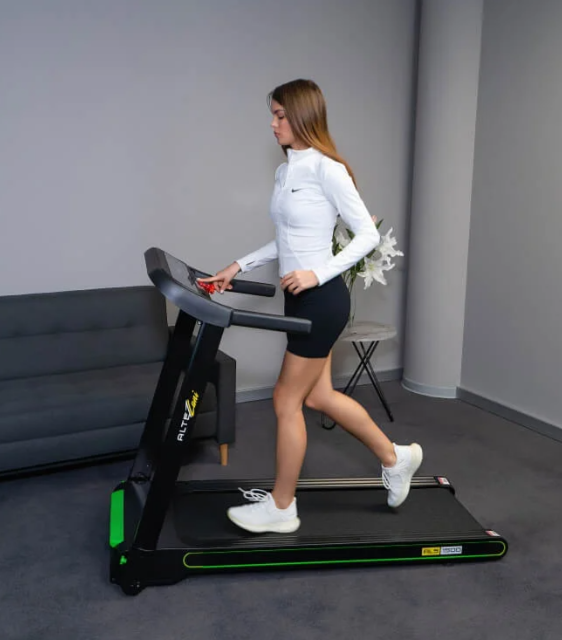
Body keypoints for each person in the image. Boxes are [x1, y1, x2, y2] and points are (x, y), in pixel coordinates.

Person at [198, 79, 422, 534]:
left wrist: (317, 274)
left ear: (302, 116)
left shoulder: (327, 169)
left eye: (280, 115)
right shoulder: (286, 172)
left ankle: (282, 507)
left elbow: (367, 235)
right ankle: (395, 457)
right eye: (273, 114)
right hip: (298, 298)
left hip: (322, 300)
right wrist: (239, 265)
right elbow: (286, 241)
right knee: (318, 396)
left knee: (285, 399)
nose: (273, 123)